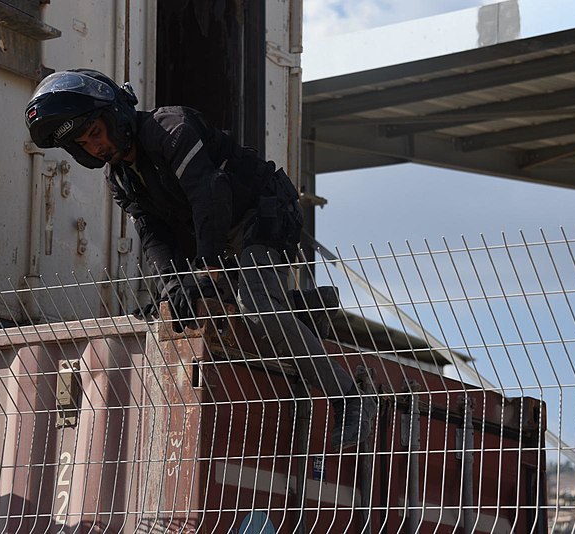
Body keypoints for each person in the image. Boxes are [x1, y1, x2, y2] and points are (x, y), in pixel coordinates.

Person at [24, 68, 374, 450]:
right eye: (84, 143)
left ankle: (349, 395)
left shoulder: (171, 129)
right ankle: (302, 308)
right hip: (216, 234)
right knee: (178, 308)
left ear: (116, 115)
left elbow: (210, 197)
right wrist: (171, 282)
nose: (96, 145)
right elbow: (153, 233)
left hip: (262, 212)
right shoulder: (120, 178)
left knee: (256, 307)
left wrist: (206, 268)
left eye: (95, 131)